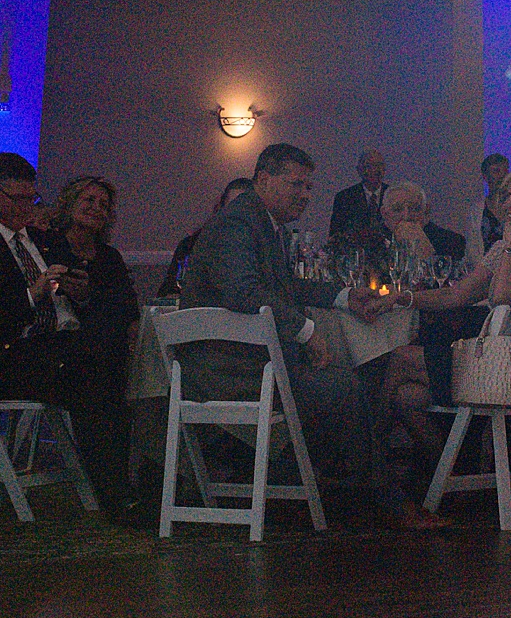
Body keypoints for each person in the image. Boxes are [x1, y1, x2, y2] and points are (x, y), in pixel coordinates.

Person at [180, 142, 447, 529]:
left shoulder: (261, 222)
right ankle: (375, 498)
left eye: (309, 187)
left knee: (348, 382)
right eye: (297, 185)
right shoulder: (238, 223)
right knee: (346, 387)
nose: (306, 195)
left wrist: (343, 297)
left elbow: (286, 286)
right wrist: (307, 332)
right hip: (229, 374)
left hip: (250, 366)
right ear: (263, 179)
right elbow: (245, 293)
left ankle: (340, 485)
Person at [0, 153, 142, 525]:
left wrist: (80, 293)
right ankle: (119, 492)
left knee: (105, 360)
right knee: (97, 365)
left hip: (61, 348)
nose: (24, 208)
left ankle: (127, 487)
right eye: (16, 199)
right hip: (8, 356)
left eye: (30, 199)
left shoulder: (45, 241)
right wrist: (31, 295)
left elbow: (88, 288)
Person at [388, 164, 511, 440]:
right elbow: (454, 295)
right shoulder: (503, 251)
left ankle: (370, 455)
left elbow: (503, 298)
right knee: (408, 398)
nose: (509, 204)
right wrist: (402, 298)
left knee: (402, 358)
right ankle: (455, 474)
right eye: (506, 196)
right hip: (492, 362)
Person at [43, 175, 139, 402]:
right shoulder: (50, 247)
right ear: (71, 204)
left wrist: (89, 297)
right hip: (62, 346)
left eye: (103, 205)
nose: (96, 208)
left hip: (109, 347)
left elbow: (128, 307)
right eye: (89, 200)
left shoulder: (109, 257)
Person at [158, 178, 250, 298]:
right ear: (221, 209)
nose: (238, 214)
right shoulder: (192, 244)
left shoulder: (265, 246)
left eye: (245, 208)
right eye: (232, 207)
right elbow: (169, 289)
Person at [345, 182, 466, 263]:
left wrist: (424, 251)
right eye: (397, 209)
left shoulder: (451, 242)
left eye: (414, 208)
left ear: (426, 211)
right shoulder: (367, 243)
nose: (406, 216)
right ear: (384, 213)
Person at [327, 150, 389, 241]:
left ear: (384, 170)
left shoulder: (393, 196)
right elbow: (335, 235)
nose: (374, 170)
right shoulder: (345, 197)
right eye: (368, 166)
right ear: (359, 170)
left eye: (378, 165)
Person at [463, 153, 510, 265]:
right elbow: (472, 250)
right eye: (496, 171)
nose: (502, 176)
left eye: (505, 171)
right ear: (485, 176)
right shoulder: (476, 212)